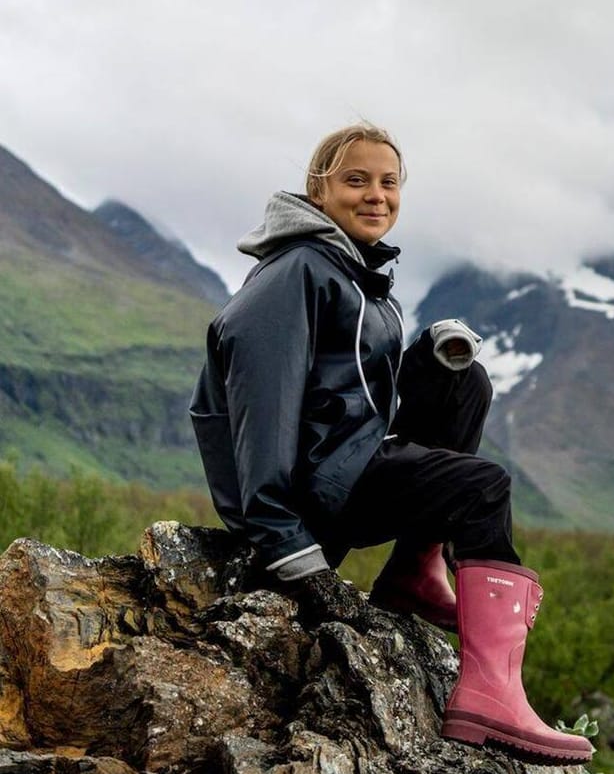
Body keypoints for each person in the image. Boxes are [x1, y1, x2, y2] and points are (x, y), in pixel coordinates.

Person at [188, 123, 593, 764]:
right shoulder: (295, 273)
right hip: (310, 498)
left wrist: (427, 360)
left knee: (463, 381)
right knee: (483, 487)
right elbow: (256, 418)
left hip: (343, 468)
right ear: (318, 191)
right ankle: (490, 698)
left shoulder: (357, 275)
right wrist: (294, 554)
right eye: (356, 181)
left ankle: (413, 570)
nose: (376, 195)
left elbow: (344, 397)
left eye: (388, 182)